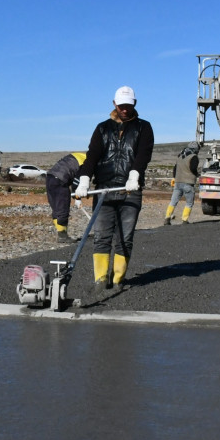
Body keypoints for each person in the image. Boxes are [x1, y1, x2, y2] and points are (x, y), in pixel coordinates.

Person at [73, 85, 154, 292]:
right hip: (104, 191)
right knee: (101, 236)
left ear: (134, 104)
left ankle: (118, 279)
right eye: (122, 105)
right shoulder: (102, 128)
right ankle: (100, 279)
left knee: (125, 237)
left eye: (129, 105)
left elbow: (143, 155)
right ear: (114, 104)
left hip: (130, 191)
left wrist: (134, 175)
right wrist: (84, 180)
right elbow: (92, 156)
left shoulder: (143, 128)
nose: (125, 109)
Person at [45, 152, 86, 242]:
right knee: (62, 208)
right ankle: (62, 236)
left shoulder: (80, 156)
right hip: (60, 180)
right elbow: (77, 182)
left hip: (50, 178)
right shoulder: (86, 162)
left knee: (56, 209)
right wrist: (78, 198)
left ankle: (61, 233)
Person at [164, 145, 199, 225]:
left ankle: (167, 218)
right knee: (189, 203)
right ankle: (184, 220)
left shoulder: (180, 156)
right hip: (188, 183)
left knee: (173, 201)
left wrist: (174, 178)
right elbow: (193, 168)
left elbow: (175, 169)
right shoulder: (194, 157)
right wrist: (197, 174)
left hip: (178, 182)